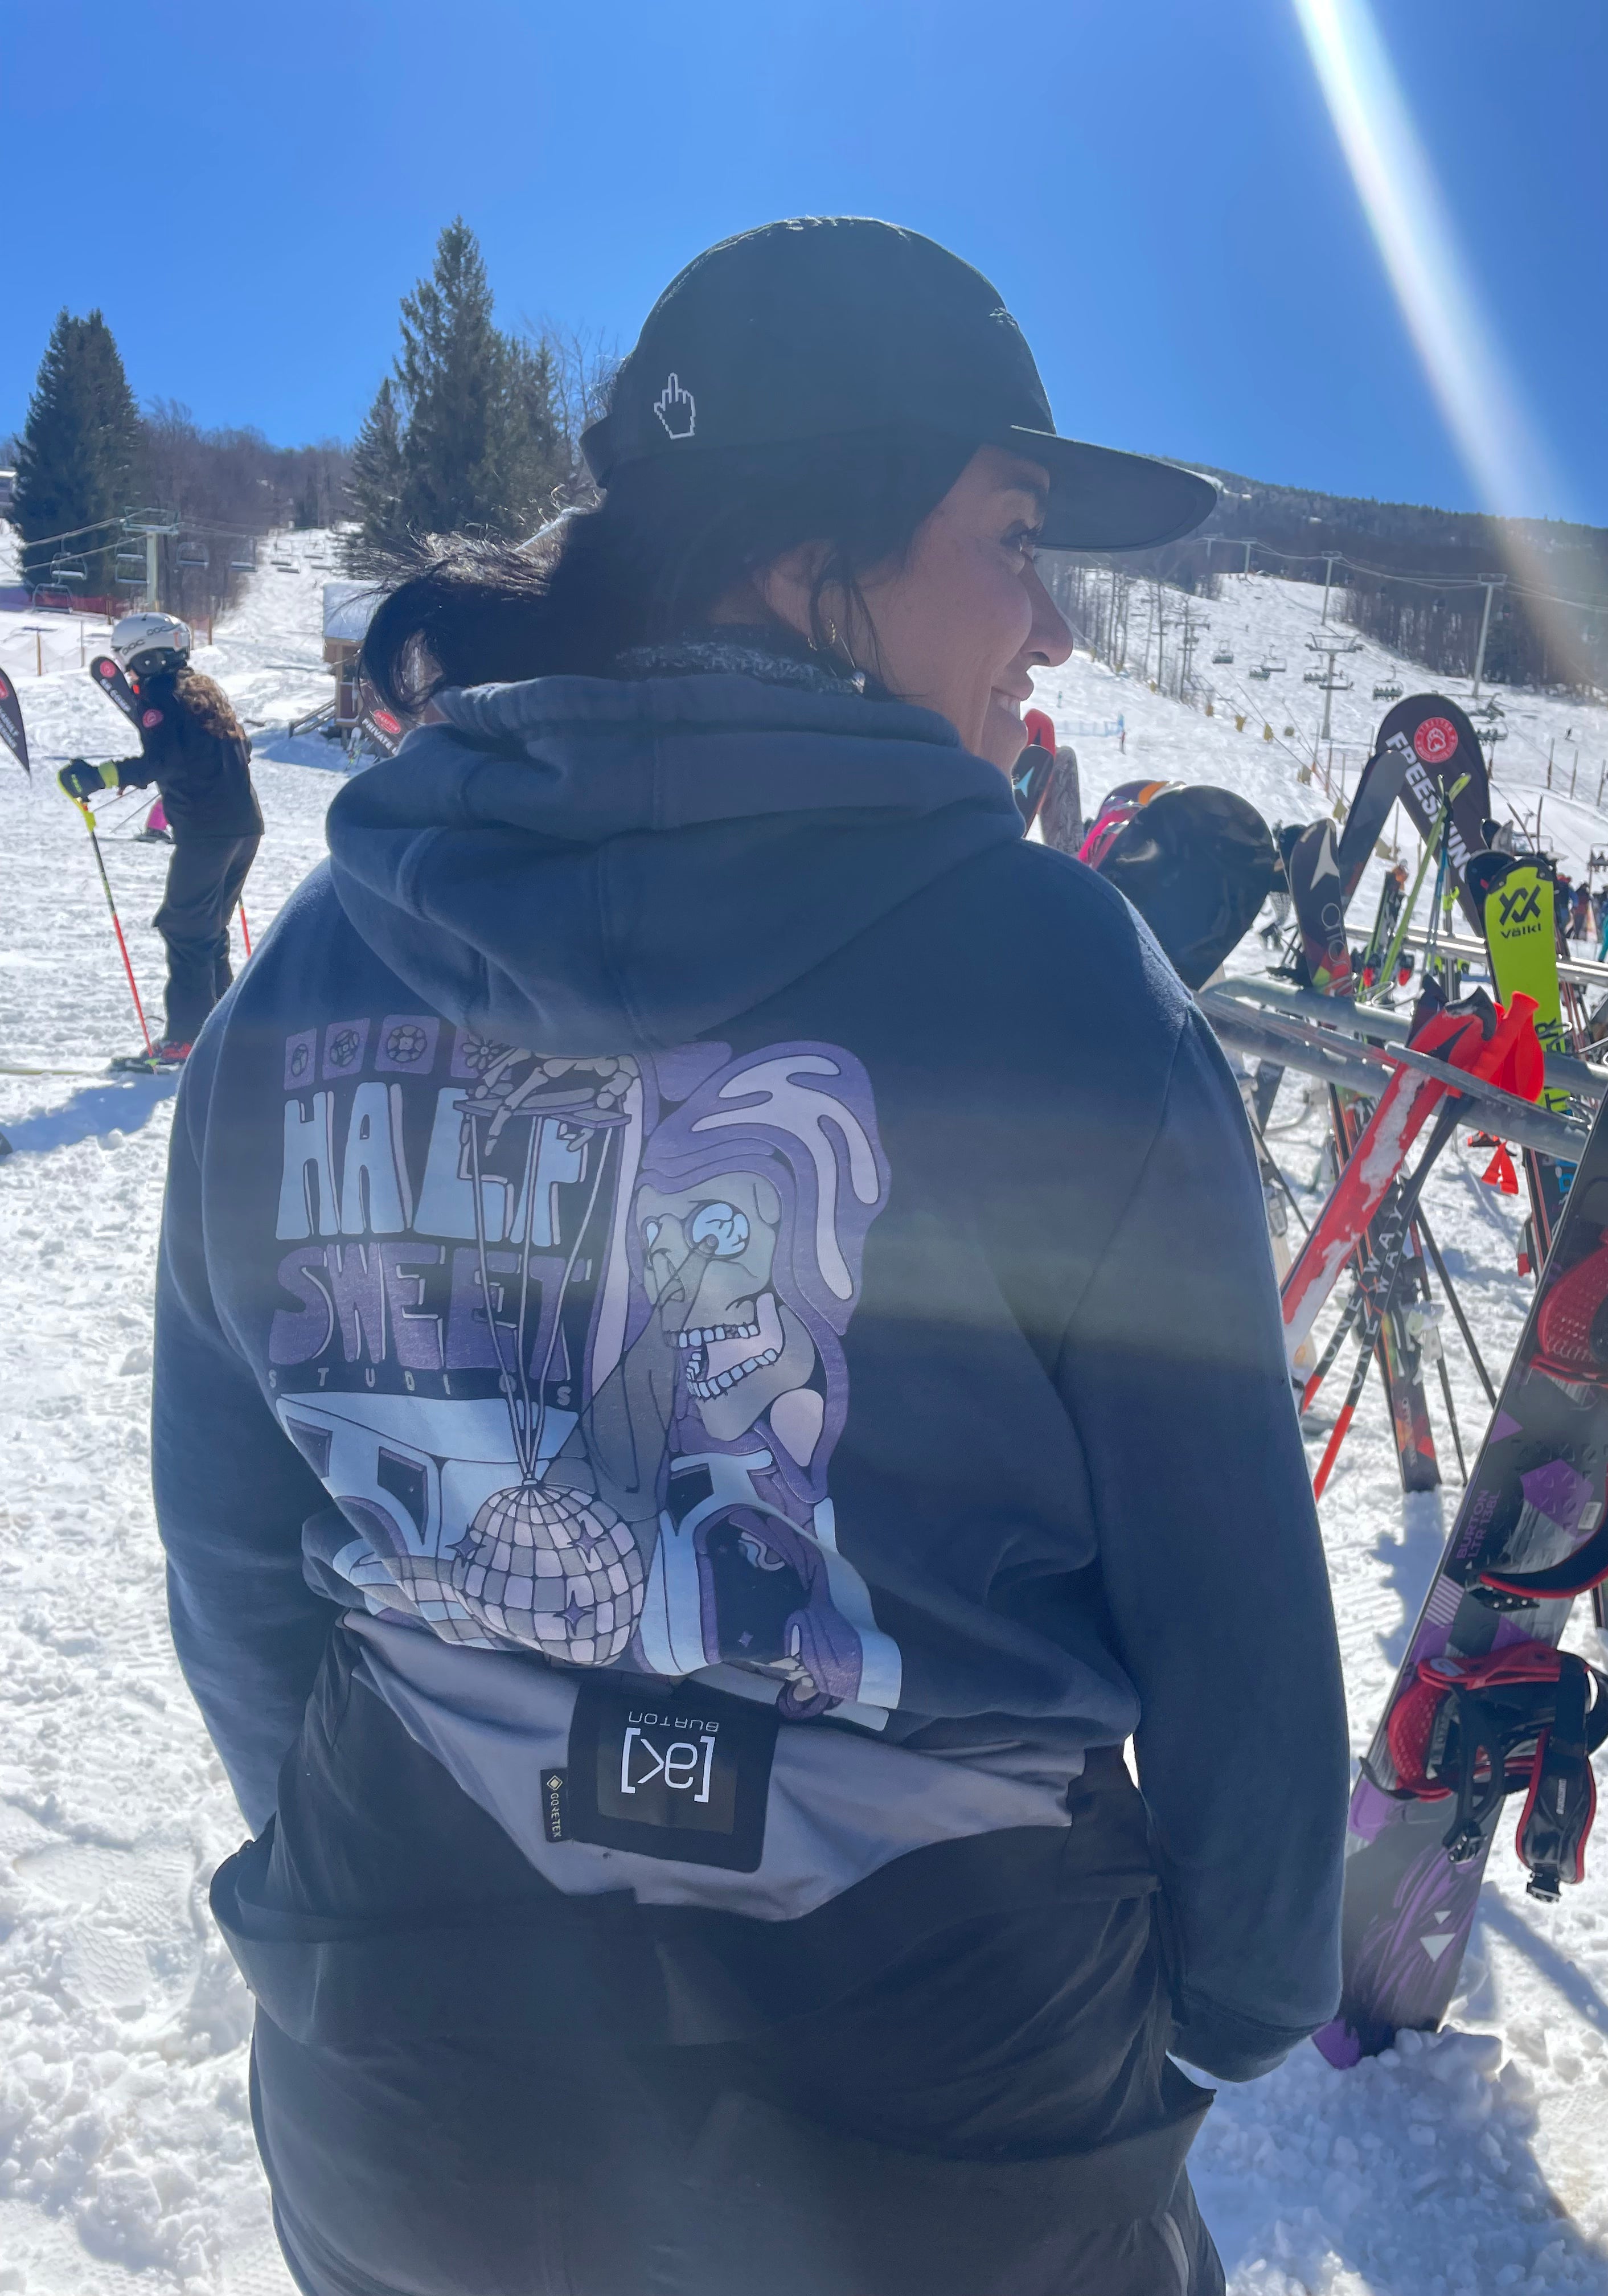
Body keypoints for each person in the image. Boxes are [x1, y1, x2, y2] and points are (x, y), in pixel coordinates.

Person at [153, 219, 1347, 2296]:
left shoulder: (327, 948)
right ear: (817, 552)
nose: (1048, 623)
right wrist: (1233, 1993)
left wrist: (361, 1856)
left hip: (408, 2059)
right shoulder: (1057, 975)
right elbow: (1226, 1588)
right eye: (1011, 531)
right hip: (936, 2087)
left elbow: (232, 1516)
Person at [58, 613, 262, 1063]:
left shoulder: (159, 695)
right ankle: (221, 1031)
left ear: (146, 656)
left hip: (208, 833)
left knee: (186, 930)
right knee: (208, 930)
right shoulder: (204, 688)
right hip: (244, 828)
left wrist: (97, 777)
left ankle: (187, 1042)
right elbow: (242, 749)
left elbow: (161, 761)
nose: (129, 672)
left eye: (130, 662)